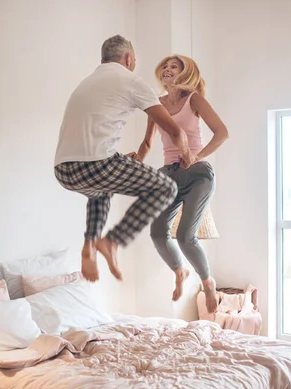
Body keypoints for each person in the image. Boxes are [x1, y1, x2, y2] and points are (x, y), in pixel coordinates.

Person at [54, 36, 196, 283]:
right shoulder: (130, 80)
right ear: (129, 59)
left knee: (100, 191)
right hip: (96, 165)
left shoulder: (86, 82)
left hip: (64, 170)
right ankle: (112, 242)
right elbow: (174, 131)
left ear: (103, 59)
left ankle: (90, 244)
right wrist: (187, 156)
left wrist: (138, 157)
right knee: (166, 187)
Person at [129, 54, 229, 314]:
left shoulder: (194, 99)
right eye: (165, 66)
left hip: (197, 173)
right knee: (157, 233)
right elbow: (148, 142)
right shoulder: (156, 104)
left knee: (186, 235)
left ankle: (208, 282)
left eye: (174, 66)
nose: (167, 69)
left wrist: (197, 156)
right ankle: (179, 270)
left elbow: (222, 133)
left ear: (185, 73)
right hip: (168, 175)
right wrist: (138, 157)